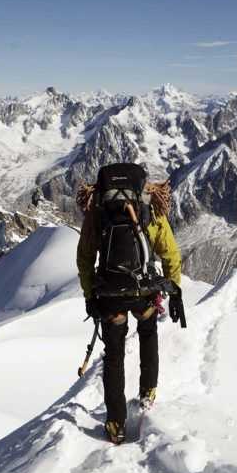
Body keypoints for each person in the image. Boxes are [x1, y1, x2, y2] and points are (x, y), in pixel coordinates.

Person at [76, 163, 184, 444]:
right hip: (143, 290)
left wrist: (90, 296)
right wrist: (175, 288)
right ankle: (148, 392)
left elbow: (85, 258)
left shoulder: (98, 209)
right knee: (148, 333)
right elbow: (169, 252)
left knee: (114, 355)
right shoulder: (149, 208)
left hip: (110, 293)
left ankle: (115, 423)